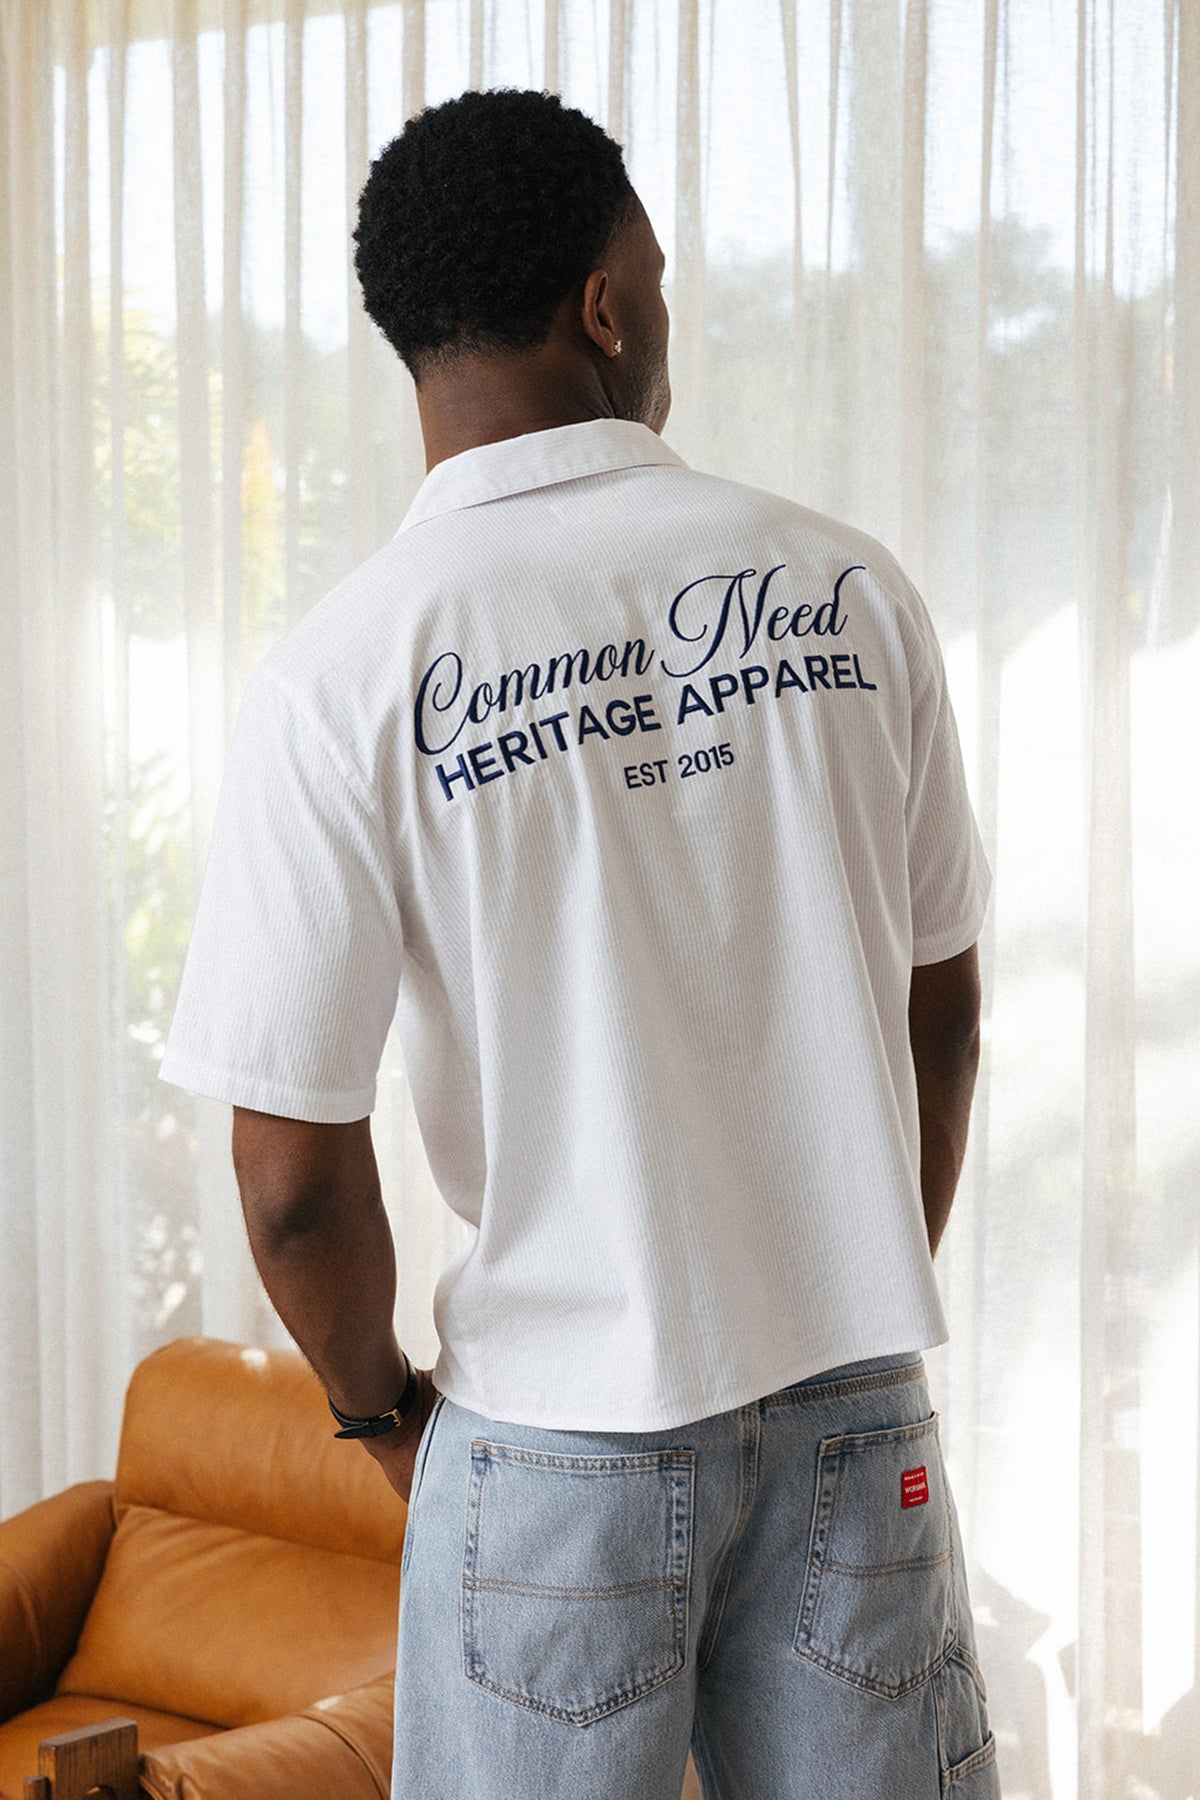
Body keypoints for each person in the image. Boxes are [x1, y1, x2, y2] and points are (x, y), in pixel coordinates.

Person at [160, 87, 1000, 1800]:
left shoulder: (346, 672)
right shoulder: (849, 590)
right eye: (659, 280)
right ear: (606, 307)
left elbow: (292, 1180)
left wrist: (382, 1417)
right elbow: (946, 1012)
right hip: (855, 1415)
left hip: (554, 1443)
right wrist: (843, 1283)